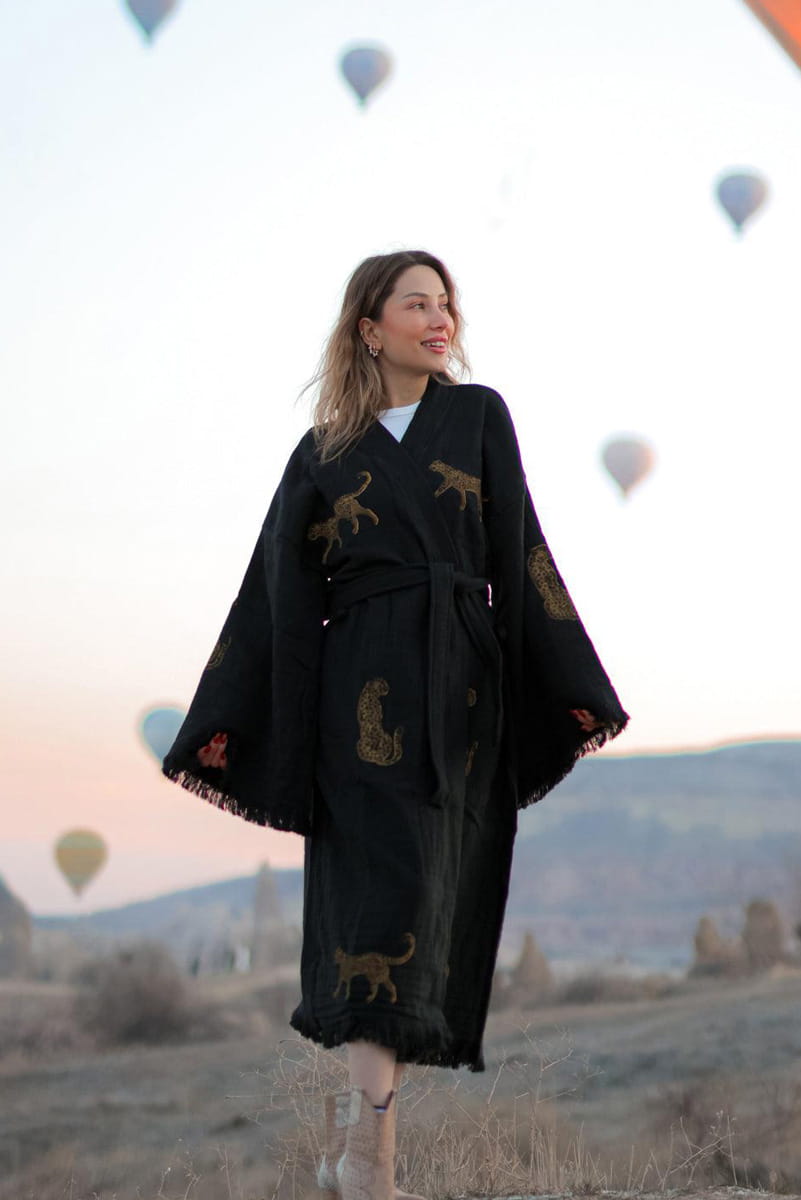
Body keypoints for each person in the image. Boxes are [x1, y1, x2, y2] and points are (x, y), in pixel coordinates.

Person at [162, 250, 629, 1200]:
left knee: (423, 909)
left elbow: (519, 552)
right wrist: (266, 739)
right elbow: (275, 601)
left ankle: (350, 1143)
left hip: (460, 694)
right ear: (369, 327)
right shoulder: (322, 454)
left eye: (446, 301)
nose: (440, 316)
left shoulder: (478, 415)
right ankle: (370, 1166)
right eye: (416, 302)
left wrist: (555, 684)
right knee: (380, 904)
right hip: (357, 696)